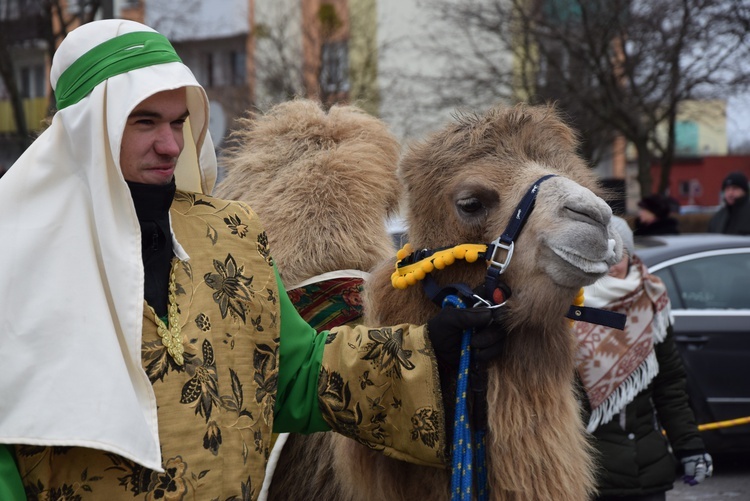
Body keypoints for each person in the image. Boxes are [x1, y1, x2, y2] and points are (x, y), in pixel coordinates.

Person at [0, 20, 502, 500]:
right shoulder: (17, 253)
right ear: (89, 127)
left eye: (179, 122)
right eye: (145, 122)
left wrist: (429, 349)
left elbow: (296, 373)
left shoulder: (230, 234)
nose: (171, 144)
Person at [575, 216, 712, 501]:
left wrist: (690, 447)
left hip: (646, 471)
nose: (611, 264)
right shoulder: (566, 308)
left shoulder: (651, 300)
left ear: (631, 255)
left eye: (619, 254)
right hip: (587, 473)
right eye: (603, 253)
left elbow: (670, 387)